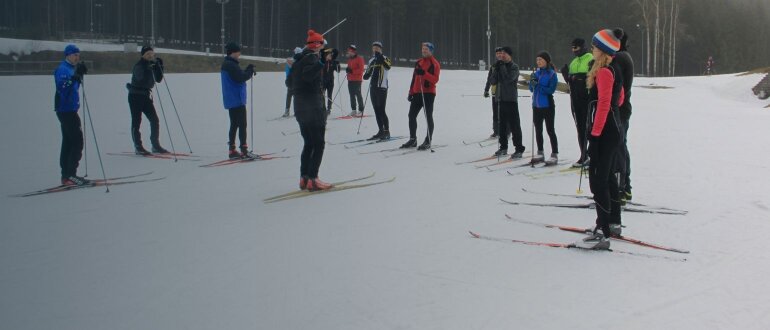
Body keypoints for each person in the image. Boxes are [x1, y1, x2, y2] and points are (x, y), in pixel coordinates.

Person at [579, 29, 626, 250]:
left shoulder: (606, 71)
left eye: (595, 46)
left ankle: (603, 231)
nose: (592, 49)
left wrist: (595, 135)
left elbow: (605, 104)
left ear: (604, 50)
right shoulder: (614, 68)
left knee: (598, 180)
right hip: (613, 130)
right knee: (607, 179)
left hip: (606, 132)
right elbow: (621, 96)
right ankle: (613, 223)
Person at [288, 30, 331, 191]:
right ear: (317, 45)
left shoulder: (298, 60)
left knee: (309, 143)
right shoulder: (312, 58)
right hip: (312, 108)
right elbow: (308, 76)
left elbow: (289, 82)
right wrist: (321, 63)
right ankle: (313, 178)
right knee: (318, 143)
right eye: (322, 44)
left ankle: (304, 177)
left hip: (300, 108)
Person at [54, 44, 90, 186]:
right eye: (75, 55)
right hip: (65, 110)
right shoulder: (63, 69)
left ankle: (66, 175)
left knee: (68, 142)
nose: (77, 57)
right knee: (77, 141)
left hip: (70, 109)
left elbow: (74, 87)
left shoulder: (70, 68)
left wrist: (79, 75)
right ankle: (70, 174)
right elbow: (62, 87)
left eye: (78, 55)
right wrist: (74, 78)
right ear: (67, 55)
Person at [126, 45, 168, 155]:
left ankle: (155, 145)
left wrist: (159, 66)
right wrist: (150, 67)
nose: (150, 56)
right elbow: (141, 79)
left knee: (154, 120)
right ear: (143, 55)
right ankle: (138, 146)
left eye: (151, 54)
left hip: (145, 96)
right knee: (136, 121)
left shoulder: (151, 64)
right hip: (135, 96)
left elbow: (158, 79)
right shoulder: (139, 65)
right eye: (147, 54)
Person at [400, 42, 440, 151]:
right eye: (423, 49)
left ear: (431, 51)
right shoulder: (418, 62)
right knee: (411, 115)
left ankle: (428, 140)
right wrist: (411, 92)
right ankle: (413, 139)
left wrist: (424, 74)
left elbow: (435, 79)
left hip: (428, 93)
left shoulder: (434, 63)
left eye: (426, 49)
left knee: (428, 117)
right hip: (417, 92)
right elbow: (414, 78)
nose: (424, 51)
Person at [220, 42, 257, 159]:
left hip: (231, 99)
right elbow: (240, 78)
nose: (239, 53)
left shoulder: (228, 64)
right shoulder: (231, 65)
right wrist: (249, 72)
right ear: (233, 52)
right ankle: (244, 150)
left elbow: (239, 74)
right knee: (242, 124)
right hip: (237, 99)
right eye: (238, 51)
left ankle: (232, 150)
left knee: (234, 124)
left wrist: (247, 70)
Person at [611, 28, 635, 203]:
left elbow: (617, 88)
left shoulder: (620, 58)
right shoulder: (623, 55)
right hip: (622, 109)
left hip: (620, 110)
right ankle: (625, 187)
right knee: (621, 146)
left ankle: (621, 188)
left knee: (618, 148)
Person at [561, 38, 593, 168]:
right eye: (572, 48)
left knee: (587, 127)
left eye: (576, 48)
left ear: (583, 47)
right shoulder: (574, 62)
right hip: (575, 99)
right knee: (579, 128)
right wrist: (567, 77)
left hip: (587, 99)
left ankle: (591, 154)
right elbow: (571, 82)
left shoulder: (590, 58)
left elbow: (591, 78)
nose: (574, 51)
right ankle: (583, 154)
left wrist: (579, 77)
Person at [489, 46, 525, 159]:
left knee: (514, 126)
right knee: (502, 126)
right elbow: (493, 81)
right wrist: (496, 70)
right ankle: (503, 147)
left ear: (509, 55)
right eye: (501, 54)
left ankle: (519, 148)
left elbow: (508, 79)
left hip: (511, 100)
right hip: (501, 99)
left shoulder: (514, 67)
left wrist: (503, 67)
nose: (502, 56)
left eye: (504, 54)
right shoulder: (499, 66)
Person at [528, 51, 559, 165]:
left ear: (546, 61)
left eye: (541, 59)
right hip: (536, 106)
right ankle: (540, 152)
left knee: (550, 130)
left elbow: (550, 90)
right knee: (538, 130)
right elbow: (531, 89)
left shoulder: (552, 74)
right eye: (537, 60)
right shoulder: (536, 73)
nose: (538, 62)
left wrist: (538, 85)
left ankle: (554, 153)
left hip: (548, 106)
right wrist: (531, 82)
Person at [363, 41, 392, 141]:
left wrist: (381, 58)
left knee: (381, 110)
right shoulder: (371, 60)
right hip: (373, 87)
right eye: (374, 47)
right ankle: (380, 131)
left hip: (382, 87)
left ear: (381, 49)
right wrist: (366, 75)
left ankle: (387, 131)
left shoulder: (384, 58)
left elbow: (388, 66)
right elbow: (368, 72)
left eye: (377, 48)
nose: (375, 49)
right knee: (376, 110)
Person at [484, 47, 508, 138]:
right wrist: (486, 90)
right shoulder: (494, 66)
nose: (499, 55)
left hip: (504, 94)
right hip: (494, 93)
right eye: (497, 53)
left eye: (500, 53)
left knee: (504, 113)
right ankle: (496, 131)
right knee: (495, 113)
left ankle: (506, 131)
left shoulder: (506, 64)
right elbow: (489, 79)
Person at [345, 45, 366, 116]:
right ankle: (353, 110)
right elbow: (349, 69)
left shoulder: (360, 59)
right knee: (351, 95)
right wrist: (347, 70)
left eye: (350, 51)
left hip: (357, 80)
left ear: (353, 52)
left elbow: (361, 70)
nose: (349, 53)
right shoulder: (350, 59)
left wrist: (352, 71)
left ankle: (361, 110)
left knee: (358, 94)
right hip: (350, 80)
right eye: (348, 51)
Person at [321, 47, 340, 114]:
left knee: (329, 95)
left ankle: (329, 109)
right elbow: (322, 51)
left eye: (330, 55)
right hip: (323, 81)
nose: (330, 56)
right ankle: (323, 108)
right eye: (328, 55)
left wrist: (338, 64)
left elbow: (338, 71)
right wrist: (328, 50)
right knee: (322, 95)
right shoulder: (322, 61)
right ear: (325, 56)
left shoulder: (332, 62)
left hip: (330, 82)